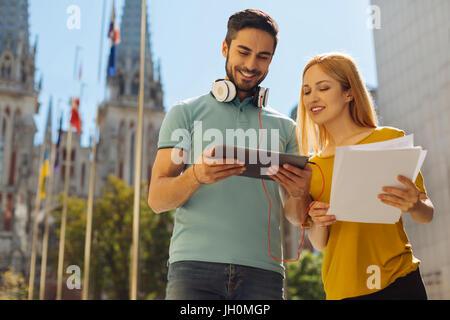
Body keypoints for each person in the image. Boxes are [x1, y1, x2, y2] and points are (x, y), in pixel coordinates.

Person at [148, 9, 311, 300]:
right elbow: (157, 200)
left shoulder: (287, 128)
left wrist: (300, 194)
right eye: (243, 52)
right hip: (193, 270)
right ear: (225, 48)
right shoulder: (185, 114)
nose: (251, 65)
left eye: (263, 56)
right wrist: (196, 175)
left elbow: (296, 218)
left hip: (265, 274)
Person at [293, 52, 434, 300]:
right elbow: (319, 244)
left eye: (323, 88)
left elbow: (427, 214)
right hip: (342, 291)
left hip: (399, 281)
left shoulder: (389, 139)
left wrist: (414, 204)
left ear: (349, 93)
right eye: (306, 91)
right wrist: (318, 222)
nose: (312, 98)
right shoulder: (311, 167)